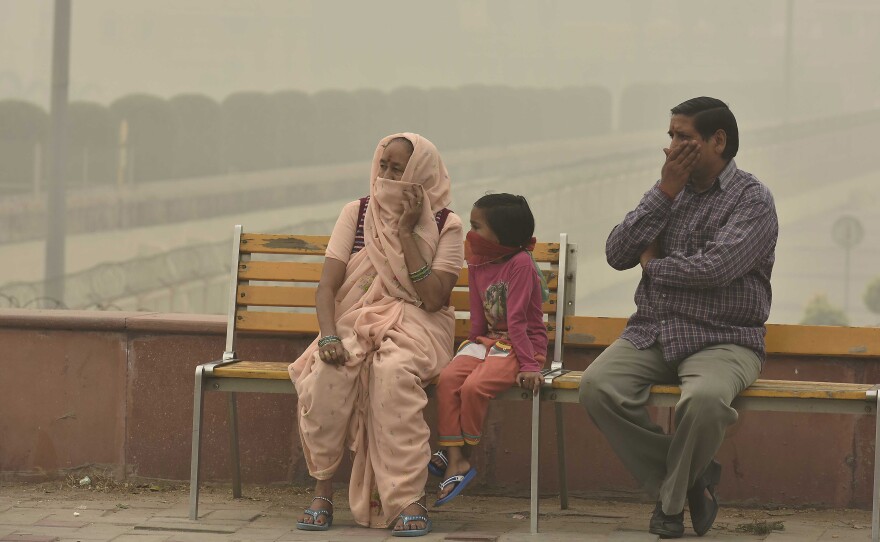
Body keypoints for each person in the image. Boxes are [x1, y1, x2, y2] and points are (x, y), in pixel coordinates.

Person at [579, 97, 778, 538]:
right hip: (654, 330)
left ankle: (669, 506)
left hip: (725, 339)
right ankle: (692, 481)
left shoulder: (753, 200)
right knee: (596, 387)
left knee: (704, 402)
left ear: (717, 141)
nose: (671, 147)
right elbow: (616, 253)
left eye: (683, 137)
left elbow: (716, 268)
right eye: (670, 137)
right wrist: (664, 190)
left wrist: (652, 266)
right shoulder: (669, 191)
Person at [289, 133, 464, 536]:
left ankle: (408, 499)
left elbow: (434, 298)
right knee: (327, 375)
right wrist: (329, 337)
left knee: (394, 376)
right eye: (383, 165)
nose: (386, 175)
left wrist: (405, 233)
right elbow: (327, 289)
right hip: (355, 321)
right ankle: (322, 490)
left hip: (419, 325)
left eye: (398, 168)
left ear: (420, 172)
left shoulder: (445, 223)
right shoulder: (357, 212)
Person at [428, 193, 549, 506]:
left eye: (476, 227)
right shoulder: (479, 260)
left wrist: (530, 366)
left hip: (521, 346)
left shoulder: (520, 264)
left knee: (475, 386)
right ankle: (455, 455)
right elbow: (479, 315)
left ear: (502, 235)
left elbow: (519, 321)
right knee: (450, 378)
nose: (470, 234)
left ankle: (461, 454)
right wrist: (470, 348)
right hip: (489, 341)